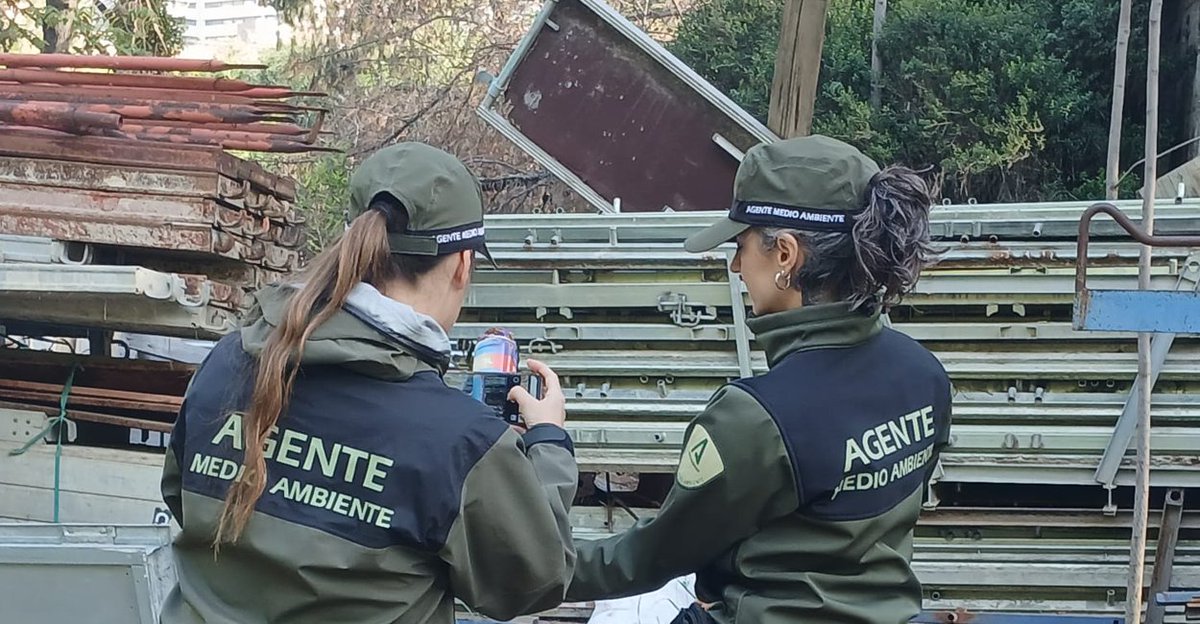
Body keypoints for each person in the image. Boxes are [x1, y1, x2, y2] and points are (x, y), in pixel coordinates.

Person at [158, 142, 578, 624]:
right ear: (462, 265)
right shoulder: (457, 439)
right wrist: (548, 445)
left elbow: (181, 497)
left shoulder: (231, 359)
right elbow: (532, 580)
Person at [565, 135, 953, 624]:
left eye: (741, 245)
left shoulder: (754, 417)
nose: (735, 266)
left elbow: (652, 556)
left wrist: (539, 568)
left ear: (786, 255)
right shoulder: (924, 375)